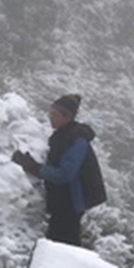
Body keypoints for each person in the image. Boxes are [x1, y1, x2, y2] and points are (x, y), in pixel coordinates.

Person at [12, 94, 106, 246]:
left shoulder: (77, 140)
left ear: (66, 117)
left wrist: (34, 167)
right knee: (59, 245)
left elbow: (65, 174)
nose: (50, 117)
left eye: (54, 114)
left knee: (63, 246)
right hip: (62, 201)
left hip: (70, 203)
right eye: (50, 113)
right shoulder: (63, 136)